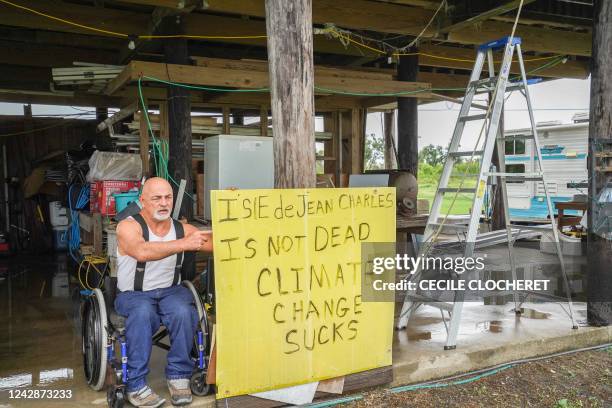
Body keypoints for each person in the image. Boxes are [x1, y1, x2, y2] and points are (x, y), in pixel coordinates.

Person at [115, 177, 213, 407]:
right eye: (156, 198)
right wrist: (184, 244)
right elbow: (141, 251)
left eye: (168, 197)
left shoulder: (182, 229)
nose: (163, 203)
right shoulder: (128, 226)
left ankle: (179, 375)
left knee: (183, 311)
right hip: (134, 294)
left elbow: (215, 241)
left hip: (171, 291)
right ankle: (136, 384)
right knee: (142, 314)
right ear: (142, 201)